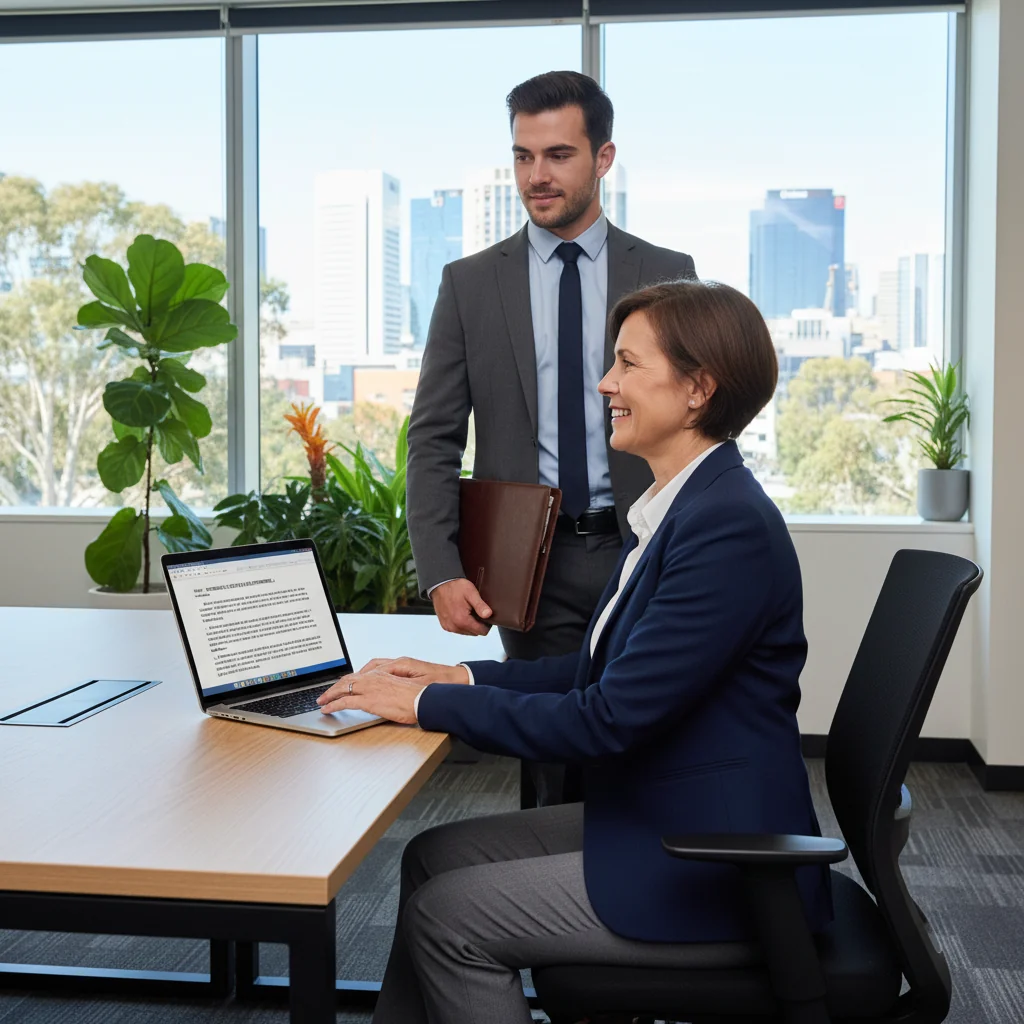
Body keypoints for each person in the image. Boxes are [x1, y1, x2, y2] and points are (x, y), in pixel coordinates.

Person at [319, 280, 833, 1024]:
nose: (605, 384)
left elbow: (604, 719)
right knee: (431, 856)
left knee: (450, 919)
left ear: (697, 388)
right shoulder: (678, 508)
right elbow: (594, 670)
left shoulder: (726, 528)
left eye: (627, 365)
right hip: (670, 805)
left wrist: (431, 706)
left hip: (715, 853)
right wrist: (456, 674)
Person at [407, 70, 696, 806]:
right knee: (550, 760)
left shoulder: (666, 275)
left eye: (559, 155)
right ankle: (544, 904)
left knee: (653, 746)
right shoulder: (469, 284)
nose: (537, 176)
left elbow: (696, 420)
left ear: (603, 159)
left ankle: (645, 898)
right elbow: (434, 436)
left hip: (641, 549)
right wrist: (441, 570)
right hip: (527, 563)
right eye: (522, 156)